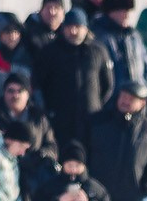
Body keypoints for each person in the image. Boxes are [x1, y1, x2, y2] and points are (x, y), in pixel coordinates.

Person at [35, 8, 114, 151]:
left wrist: (94, 105)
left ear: (85, 29)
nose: (73, 32)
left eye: (77, 27)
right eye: (69, 27)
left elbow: (107, 85)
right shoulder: (50, 52)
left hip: (90, 119)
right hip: (59, 119)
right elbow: (38, 83)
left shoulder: (98, 51)